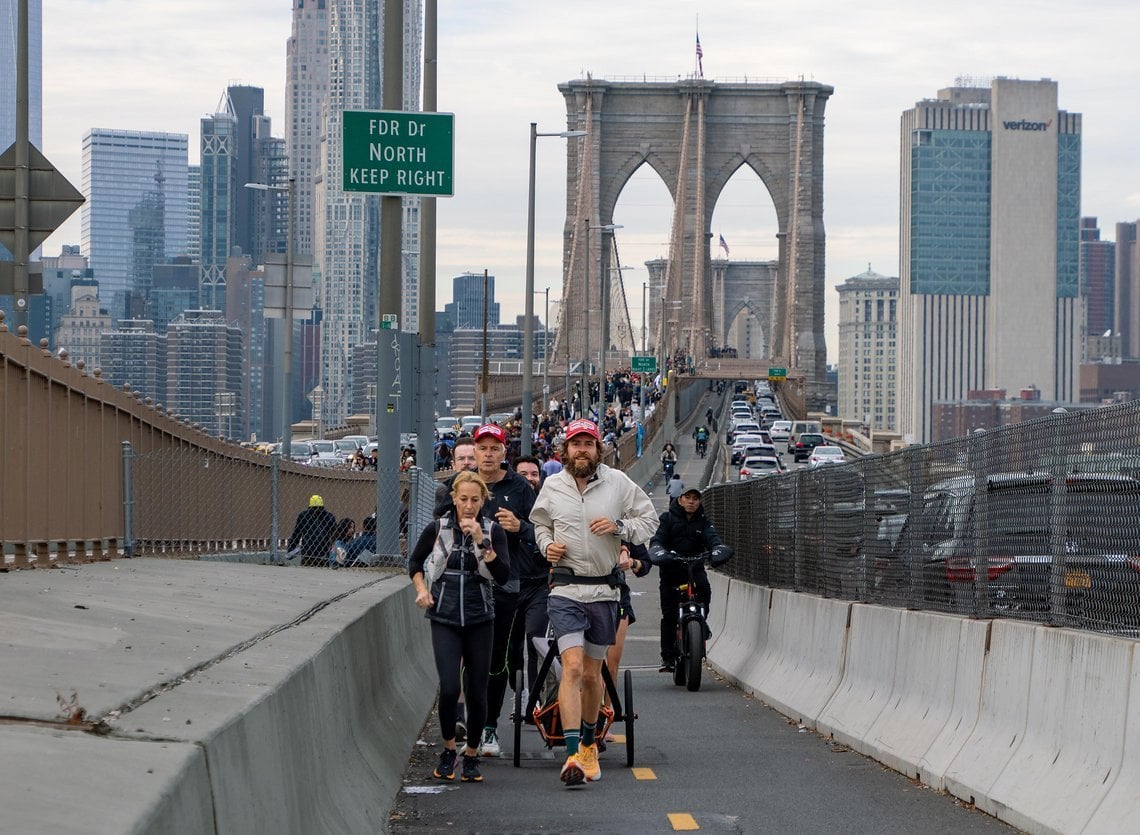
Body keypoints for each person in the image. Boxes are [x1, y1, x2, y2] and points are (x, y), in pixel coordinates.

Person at [530, 418, 658, 787]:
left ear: (598, 448)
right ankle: (571, 754)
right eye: (575, 443)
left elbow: (648, 520)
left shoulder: (618, 483)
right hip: (566, 590)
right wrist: (546, 546)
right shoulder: (552, 487)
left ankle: (588, 744)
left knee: (590, 674)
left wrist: (619, 526)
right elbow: (539, 525)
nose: (582, 449)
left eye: (588, 443)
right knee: (570, 669)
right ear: (565, 450)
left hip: (604, 591)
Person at [409, 471, 510, 783]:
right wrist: (422, 590)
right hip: (445, 616)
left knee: (478, 692)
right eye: (463, 499)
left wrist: (482, 541)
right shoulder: (437, 529)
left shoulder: (493, 531)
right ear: (453, 499)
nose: (468, 506)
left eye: (475, 500)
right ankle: (450, 748)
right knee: (451, 687)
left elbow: (503, 575)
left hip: (480, 618)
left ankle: (471, 754)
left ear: (483, 502)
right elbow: (414, 563)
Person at [454, 424, 536, 759]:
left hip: (506, 582)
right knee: (467, 655)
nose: (488, 454)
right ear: (474, 451)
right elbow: (440, 523)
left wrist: (520, 526)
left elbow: (540, 531)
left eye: (494, 448)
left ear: (505, 453)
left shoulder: (519, 487)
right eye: (482, 448)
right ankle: (467, 720)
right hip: (468, 582)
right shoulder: (464, 485)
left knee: (497, 656)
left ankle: (489, 727)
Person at [649, 486, 723, 673]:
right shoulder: (667, 519)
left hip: (694, 568)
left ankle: (701, 622)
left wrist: (717, 549)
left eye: (695, 499)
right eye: (688, 497)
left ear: (699, 502)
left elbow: (713, 538)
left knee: (705, 589)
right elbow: (657, 540)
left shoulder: (704, 521)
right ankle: (667, 657)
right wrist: (660, 552)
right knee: (669, 614)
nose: (691, 501)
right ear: (680, 499)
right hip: (671, 570)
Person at [287, 494, 337, 566]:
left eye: (318, 509)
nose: (316, 510)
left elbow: (335, 534)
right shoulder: (304, 516)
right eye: (314, 509)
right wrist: (291, 549)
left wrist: (333, 548)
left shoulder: (329, 517)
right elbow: (297, 534)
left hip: (323, 553)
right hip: (308, 553)